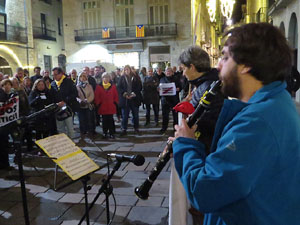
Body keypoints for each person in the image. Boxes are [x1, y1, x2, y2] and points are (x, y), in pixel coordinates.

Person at [172, 23, 300, 225]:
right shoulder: (276, 103)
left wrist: (186, 144)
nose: (219, 66)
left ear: (246, 64)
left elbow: (204, 191)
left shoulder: (256, 122)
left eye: (224, 57)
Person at [51, 67, 79, 139]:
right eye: (53, 75)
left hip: (68, 108)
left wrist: (65, 101)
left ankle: (72, 145)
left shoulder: (68, 81)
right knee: (60, 129)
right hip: (57, 109)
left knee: (70, 128)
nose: (54, 77)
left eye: (56, 74)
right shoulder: (53, 84)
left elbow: (74, 93)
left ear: (61, 74)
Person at [118, 65, 143, 135]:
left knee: (135, 115)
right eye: (125, 70)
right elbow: (119, 88)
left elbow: (139, 87)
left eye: (128, 69)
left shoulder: (135, 77)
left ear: (130, 70)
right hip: (125, 100)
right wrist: (125, 94)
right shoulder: (121, 78)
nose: (126, 71)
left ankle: (136, 128)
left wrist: (134, 93)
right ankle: (124, 129)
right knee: (125, 115)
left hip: (134, 99)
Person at [94, 72, 119, 139]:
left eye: (108, 77)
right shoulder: (99, 86)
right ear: (102, 78)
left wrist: (115, 103)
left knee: (111, 120)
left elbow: (116, 95)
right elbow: (97, 96)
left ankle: (112, 133)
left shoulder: (113, 86)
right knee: (104, 120)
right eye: (105, 77)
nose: (106, 79)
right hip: (103, 106)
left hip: (111, 106)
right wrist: (99, 103)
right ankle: (105, 133)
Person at [159, 67, 181, 134]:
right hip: (165, 100)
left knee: (175, 115)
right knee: (165, 115)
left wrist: (178, 88)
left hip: (174, 100)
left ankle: (175, 128)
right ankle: (164, 128)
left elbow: (181, 86)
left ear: (172, 72)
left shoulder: (176, 79)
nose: (168, 73)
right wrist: (158, 89)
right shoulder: (162, 79)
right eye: (167, 71)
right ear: (165, 72)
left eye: (169, 71)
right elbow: (159, 86)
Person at [0, 79, 13, 169]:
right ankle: (4, 165)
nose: (7, 86)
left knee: (4, 144)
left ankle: (5, 164)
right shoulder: (2, 95)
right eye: (5, 85)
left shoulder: (8, 95)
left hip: (5, 125)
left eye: (9, 85)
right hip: (1, 125)